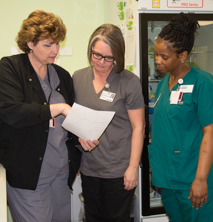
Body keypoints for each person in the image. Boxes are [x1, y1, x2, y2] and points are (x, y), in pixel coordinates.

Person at [0, 10, 75, 222]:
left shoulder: (62, 76)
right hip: (29, 171)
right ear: (30, 43)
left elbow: (71, 118)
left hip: (60, 171)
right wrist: (58, 108)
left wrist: (84, 134)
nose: (55, 50)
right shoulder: (10, 68)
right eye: (48, 45)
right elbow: (12, 112)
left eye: (57, 44)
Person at [148, 12, 213, 222]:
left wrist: (201, 180)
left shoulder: (203, 82)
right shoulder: (163, 86)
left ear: (182, 55)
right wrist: (159, 174)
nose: (158, 61)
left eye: (164, 57)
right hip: (170, 177)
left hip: (195, 176)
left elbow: (212, 132)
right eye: (155, 54)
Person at [72, 24, 146, 222]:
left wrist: (132, 168)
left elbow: (139, 127)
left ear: (118, 56)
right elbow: (74, 119)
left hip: (118, 170)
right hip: (89, 167)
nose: (101, 62)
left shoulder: (129, 82)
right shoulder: (78, 78)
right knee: (93, 218)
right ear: (90, 50)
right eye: (97, 55)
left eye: (108, 57)